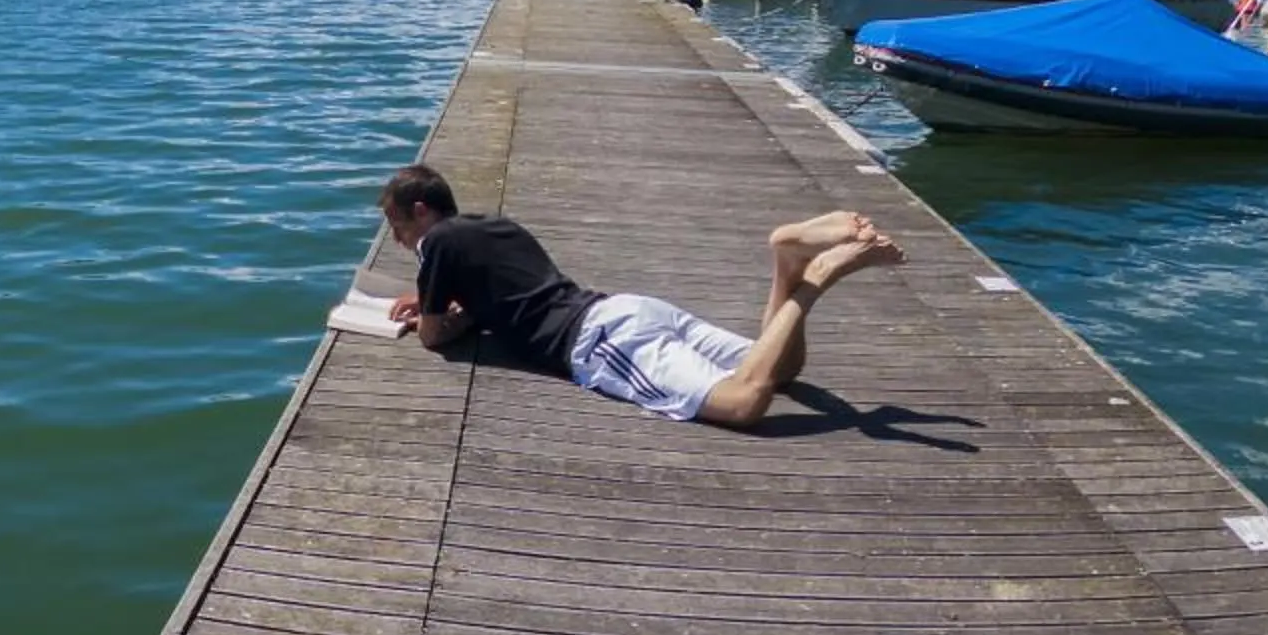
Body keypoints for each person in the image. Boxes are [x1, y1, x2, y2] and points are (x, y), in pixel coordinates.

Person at [376, 163, 901, 428]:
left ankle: (817, 277)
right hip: (627, 309)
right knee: (779, 367)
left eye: (398, 228)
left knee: (744, 403)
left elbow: (433, 339)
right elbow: (502, 297)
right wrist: (462, 308)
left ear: (421, 211)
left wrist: (431, 316)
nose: (400, 241)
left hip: (598, 343)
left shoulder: (435, 243)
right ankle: (787, 260)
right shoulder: (492, 225)